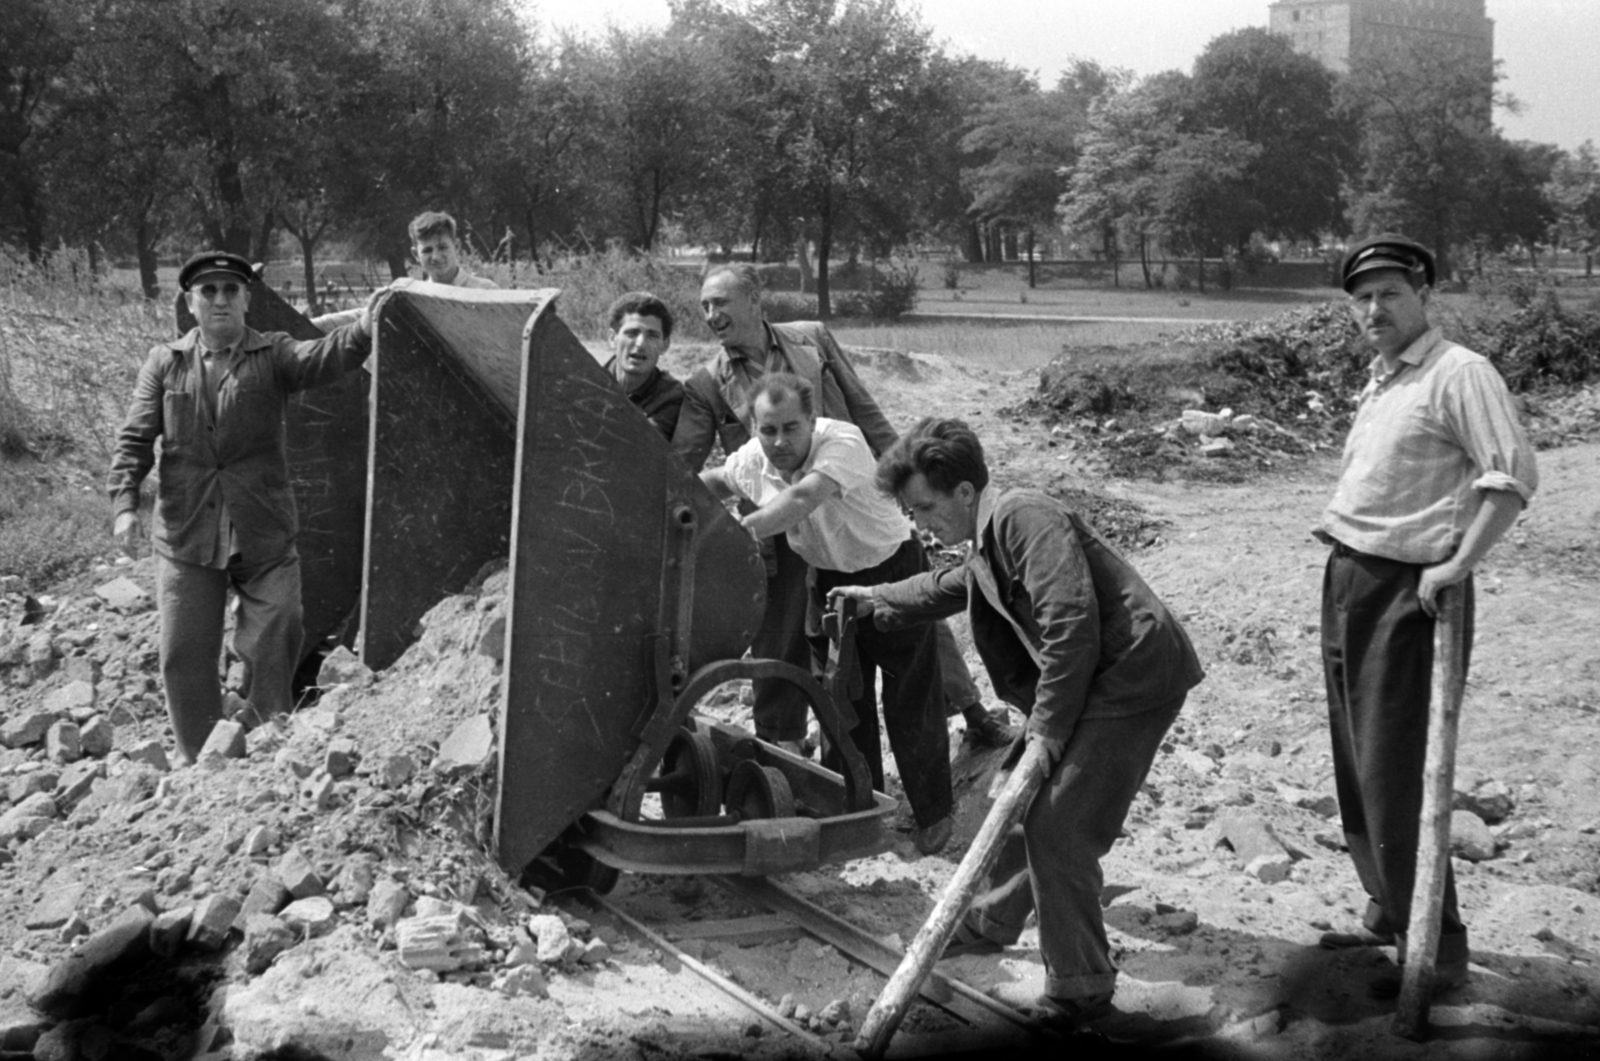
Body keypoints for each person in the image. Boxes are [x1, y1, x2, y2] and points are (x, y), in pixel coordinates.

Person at [828, 417, 1204, 1028]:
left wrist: (1049, 731)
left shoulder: (1024, 517)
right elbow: (954, 584)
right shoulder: (988, 536)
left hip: (1133, 677)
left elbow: (1070, 623)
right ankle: (990, 921)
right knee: (1015, 791)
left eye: (924, 508)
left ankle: (1080, 987)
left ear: (964, 493)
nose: (919, 524)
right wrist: (876, 598)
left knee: (1057, 824)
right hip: (1094, 677)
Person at [1313, 234, 1538, 1000]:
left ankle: (1435, 947)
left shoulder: (1459, 373)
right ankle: (1388, 908)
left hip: (1412, 590)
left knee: (1395, 765)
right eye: (1363, 299)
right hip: (1348, 573)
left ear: (1423, 296)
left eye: (1390, 295)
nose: (1374, 310)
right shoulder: (1382, 379)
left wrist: (1455, 565)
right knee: (1354, 761)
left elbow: (1510, 476)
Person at [671, 263, 1011, 754]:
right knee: (783, 638)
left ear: (754, 301)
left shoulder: (812, 339)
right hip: (779, 529)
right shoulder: (706, 384)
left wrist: (909, 480)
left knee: (912, 610)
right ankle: (783, 745)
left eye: (719, 303)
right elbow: (687, 466)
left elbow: (862, 406)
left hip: (851, 504)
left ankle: (973, 714)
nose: (710, 315)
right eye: (704, 306)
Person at [110, 251, 378, 764]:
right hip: (187, 533)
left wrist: (363, 327)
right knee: (183, 654)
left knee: (279, 626)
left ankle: (263, 735)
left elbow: (321, 357)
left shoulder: (273, 353)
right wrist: (125, 503)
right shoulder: (164, 362)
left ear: (246, 300)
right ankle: (202, 758)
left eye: (230, 290)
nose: (220, 300)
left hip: (263, 532)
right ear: (190, 303)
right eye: (207, 292)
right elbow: (135, 438)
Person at [700, 375, 954, 853]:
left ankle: (933, 812)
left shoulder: (843, 442)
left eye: (791, 428)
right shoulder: (756, 458)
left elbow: (800, 500)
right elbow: (715, 481)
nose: (779, 442)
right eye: (768, 429)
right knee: (839, 702)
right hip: (829, 583)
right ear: (753, 427)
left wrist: (726, 538)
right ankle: (859, 810)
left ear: (812, 422)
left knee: (910, 698)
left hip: (889, 572)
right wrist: (676, 496)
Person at [312, 210, 495, 329]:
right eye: (427, 250)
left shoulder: (485, 291)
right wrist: (310, 324)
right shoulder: (413, 297)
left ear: (456, 245)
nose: (436, 256)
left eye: (442, 247)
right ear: (416, 255)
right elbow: (363, 314)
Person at [602, 291, 683, 440]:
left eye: (652, 336)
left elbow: (642, 444)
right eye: (632, 333)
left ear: (664, 345)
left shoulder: (671, 397)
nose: (640, 344)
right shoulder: (586, 380)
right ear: (613, 339)